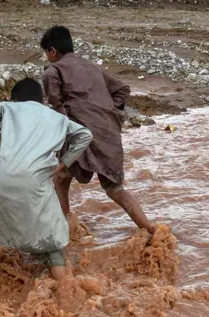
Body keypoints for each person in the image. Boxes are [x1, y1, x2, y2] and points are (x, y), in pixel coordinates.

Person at [0, 78, 93, 281]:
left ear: (15, 99)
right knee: (52, 240)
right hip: (36, 179)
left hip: (1, 174)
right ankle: (65, 289)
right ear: (41, 100)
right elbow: (85, 135)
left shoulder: (9, 108)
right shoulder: (57, 117)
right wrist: (64, 163)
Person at [40, 25, 156, 235]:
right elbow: (123, 89)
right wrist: (110, 112)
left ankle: (66, 226)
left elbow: (59, 114)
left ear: (52, 51)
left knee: (60, 177)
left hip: (82, 134)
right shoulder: (91, 67)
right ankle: (151, 231)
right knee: (115, 190)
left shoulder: (53, 72)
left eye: (46, 53)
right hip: (109, 133)